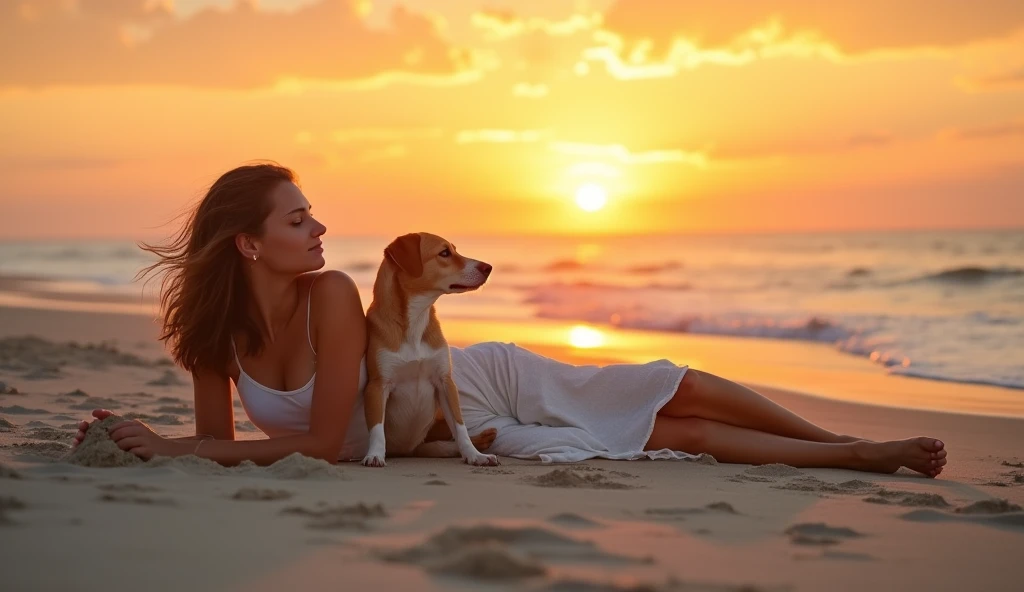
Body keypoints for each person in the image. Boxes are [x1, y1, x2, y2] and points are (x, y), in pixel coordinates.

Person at [73, 162, 947, 477]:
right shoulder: (213, 334)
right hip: (441, 439)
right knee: (666, 436)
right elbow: (217, 443)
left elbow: (315, 441)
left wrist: (190, 450)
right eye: (297, 220)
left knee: (665, 385)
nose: (320, 228)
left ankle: (840, 441)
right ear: (247, 246)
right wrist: (170, 445)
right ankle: (856, 456)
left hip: (466, 381)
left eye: (314, 214)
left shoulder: (333, 296)